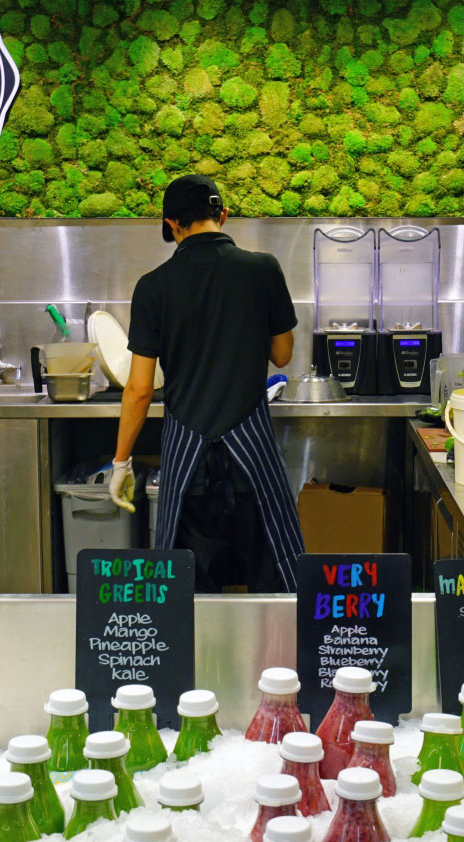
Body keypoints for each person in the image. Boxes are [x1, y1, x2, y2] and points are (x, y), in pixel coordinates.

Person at [109, 175, 304, 592]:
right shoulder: (263, 269)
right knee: (273, 584)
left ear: (172, 224)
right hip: (252, 462)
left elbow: (140, 388)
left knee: (189, 592)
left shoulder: (152, 287)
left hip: (189, 464)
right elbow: (283, 355)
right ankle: (272, 658)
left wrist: (121, 461)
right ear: (224, 216)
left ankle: (201, 659)